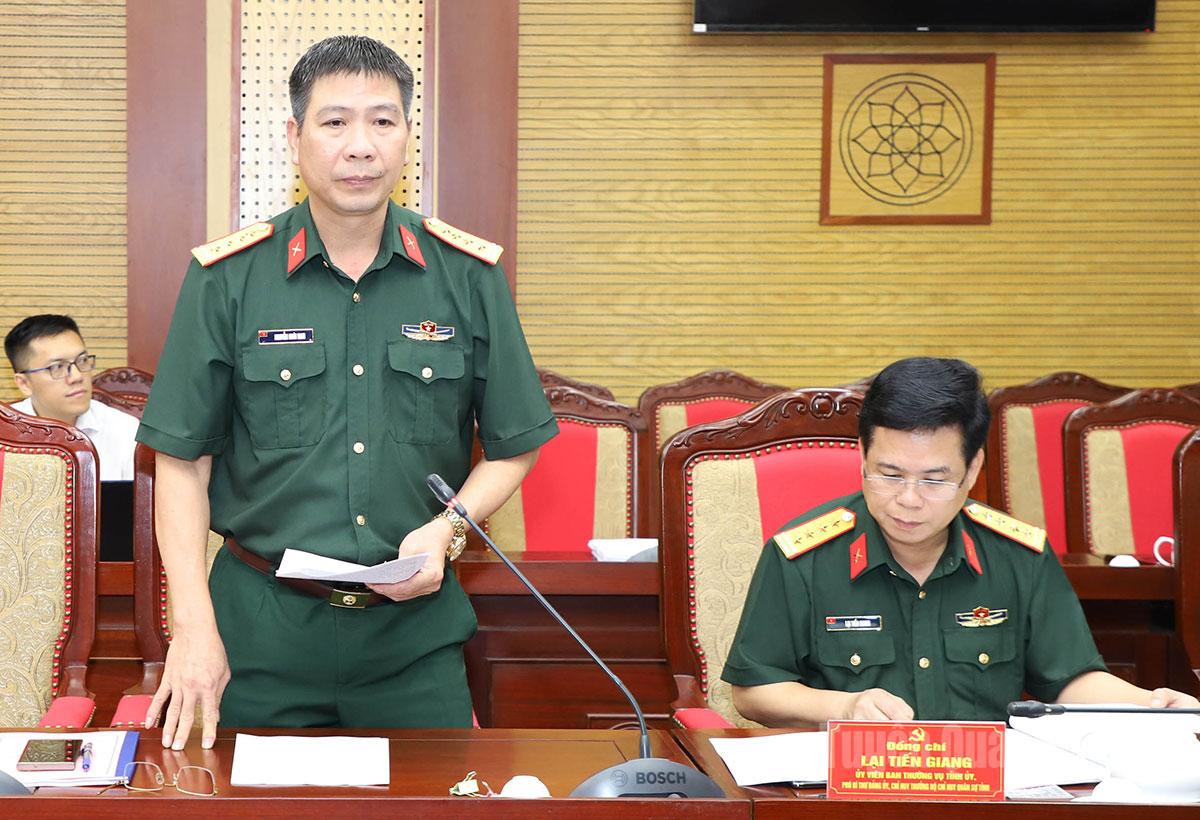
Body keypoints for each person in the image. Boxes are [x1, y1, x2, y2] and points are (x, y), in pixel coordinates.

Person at [136, 35, 557, 749]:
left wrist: (449, 525)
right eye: (334, 122)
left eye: (382, 121)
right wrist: (194, 629)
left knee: (440, 797)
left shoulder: (468, 274)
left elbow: (515, 444)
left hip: (413, 640)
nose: (360, 146)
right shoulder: (227, 278)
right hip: (259, 633)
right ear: (295, 137)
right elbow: (181, 463)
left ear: (406, 136)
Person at [722, 356, 1199, 725]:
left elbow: (1069, 679)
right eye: (889, 474)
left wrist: (1148, 703)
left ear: (972, 470)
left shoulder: (1018, 555)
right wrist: (844, 707)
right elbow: (753, 691)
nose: (908, 499)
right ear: (863, 455)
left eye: (934, 480)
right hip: (852, 791)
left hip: (986, 790)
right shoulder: (802, 556)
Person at [5, 314, 139, 481]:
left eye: (82, 360)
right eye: (57, 367)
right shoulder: (5, 434)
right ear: (24, 383)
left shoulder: (124, 430)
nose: (77, 376)